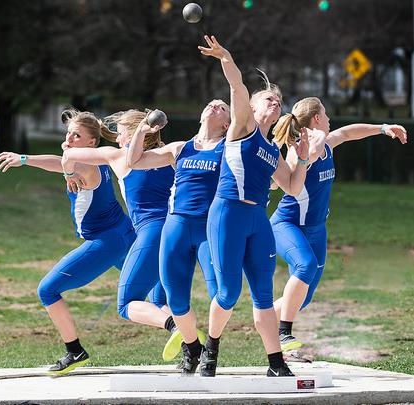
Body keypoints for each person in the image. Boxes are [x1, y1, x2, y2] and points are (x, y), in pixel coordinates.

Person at [198, 36, 320, 377]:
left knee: (264, 294)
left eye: (279, 101)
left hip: (257, 219)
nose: (276, 103)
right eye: (269, 99)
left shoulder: (271, 150)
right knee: (228, 292)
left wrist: (305, 157)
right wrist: (226, 57)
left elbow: (294, 186)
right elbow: (236, 84)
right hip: (228, 213)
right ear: (252, 108)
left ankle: (275, 362)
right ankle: (211, 347)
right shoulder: (243, 126)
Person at [0, 110, 136, 375]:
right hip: (123, 232)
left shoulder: (81, 164)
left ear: (92, 143)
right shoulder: (95, 159)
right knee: (152, 290)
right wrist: (67, 164)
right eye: (68, 134)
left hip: (105, 242)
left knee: (47, 291)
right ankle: (191, 340)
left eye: (76, 136)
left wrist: (23, 159)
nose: (69, 139)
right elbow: (62, 161)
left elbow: (59, 161)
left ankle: (75, 351)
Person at [270, 97, 408, 352]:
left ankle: (263, 319)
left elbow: (347, 132)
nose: (330, 119)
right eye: (326, 113)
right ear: (317, 119)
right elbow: (290, 178)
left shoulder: (328, 144)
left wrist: (383, 128)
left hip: (316, 229)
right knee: (305, 265)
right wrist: (307, 152)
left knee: (305, 295)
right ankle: (283, 333)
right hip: (287, 224)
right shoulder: (297, 148)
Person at [61, 109, 183, 360]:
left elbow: (70, 154)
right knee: (160, 299)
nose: (117, 138)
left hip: (151, 232)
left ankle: (180, 330)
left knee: (126, 304)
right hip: (179, 232)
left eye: (120, 133)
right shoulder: (170, 154)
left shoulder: (118, 156)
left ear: (134, 133)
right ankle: (193, 350)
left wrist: (69, 171)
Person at [127, 99, 230, 373]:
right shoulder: (179, 148)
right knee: (175, 298)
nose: (214, 106)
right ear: (200, 115)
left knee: (221, 293)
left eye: (222, 107)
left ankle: (212, 345)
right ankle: (192, 347)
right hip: (177, 226)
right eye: (211, 104)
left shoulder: (228, 148)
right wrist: (142, 131)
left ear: (227, 123)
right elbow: (134, 161)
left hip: (210, 227)